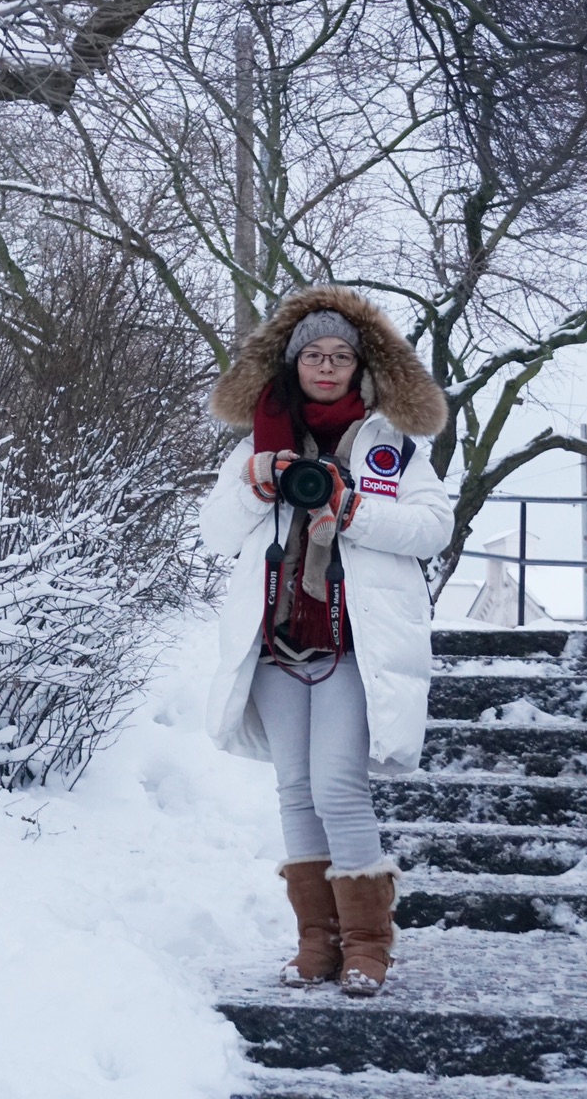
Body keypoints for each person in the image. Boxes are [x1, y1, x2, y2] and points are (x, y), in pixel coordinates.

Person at [199, 286, 450, 996]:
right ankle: (317, 944)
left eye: (341, 355)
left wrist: (354, 510)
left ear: (362, 365)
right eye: (315, 354)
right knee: (296, 791)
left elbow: (433, 529)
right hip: (277, 642)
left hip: (349, 644)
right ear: (293, 362)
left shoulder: (391, 444)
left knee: (338, 787)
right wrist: (255, 485)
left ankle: (368, 945)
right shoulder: (258, 443)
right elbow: (215, 535)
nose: (328, 366)